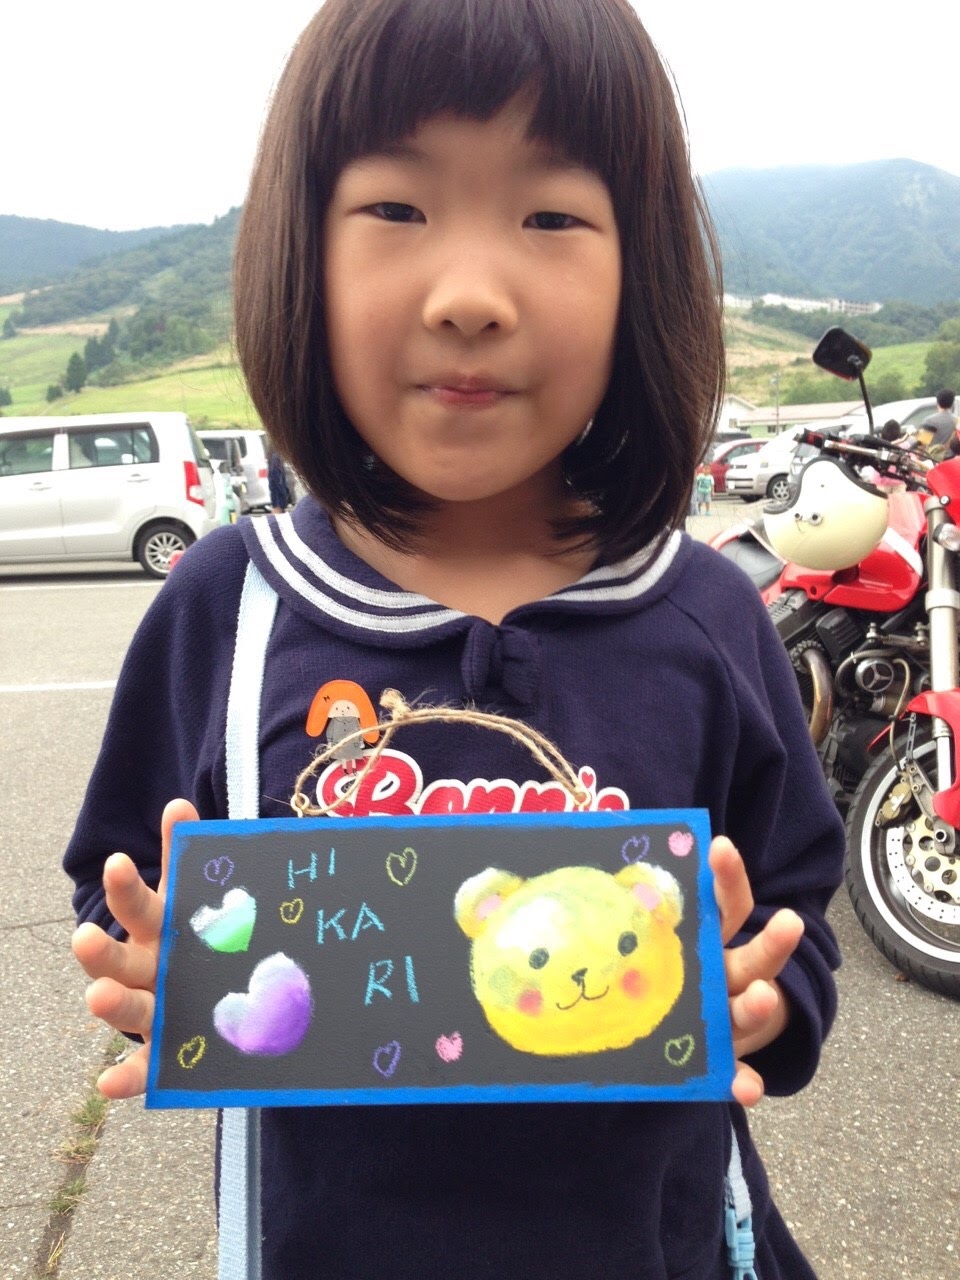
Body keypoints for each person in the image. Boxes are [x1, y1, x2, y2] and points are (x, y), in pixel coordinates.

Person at [65, 2, 845, 1276]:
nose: (472, 295)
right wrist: (162, 971)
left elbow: (797, 909)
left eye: (551, 217)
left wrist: (762, 996)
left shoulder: (706, 614)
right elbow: (123, 888)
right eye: (395, 207)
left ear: (640, 267)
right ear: (299, 253)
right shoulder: (227, 607)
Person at [918, 388, 958, 459]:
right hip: (952, 459)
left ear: (937, 402)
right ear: (952, 403)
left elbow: (922, 444)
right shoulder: (957, 421)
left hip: (933, 459)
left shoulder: (929, 421)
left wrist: (918, 458)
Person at [267, 442, 291, 512]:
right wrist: (283, 491)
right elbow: (276, 474)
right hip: (278, 494)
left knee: (277, 509)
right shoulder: (276, 457)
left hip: (275, 492)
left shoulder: (272, 456)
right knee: (278, 510)